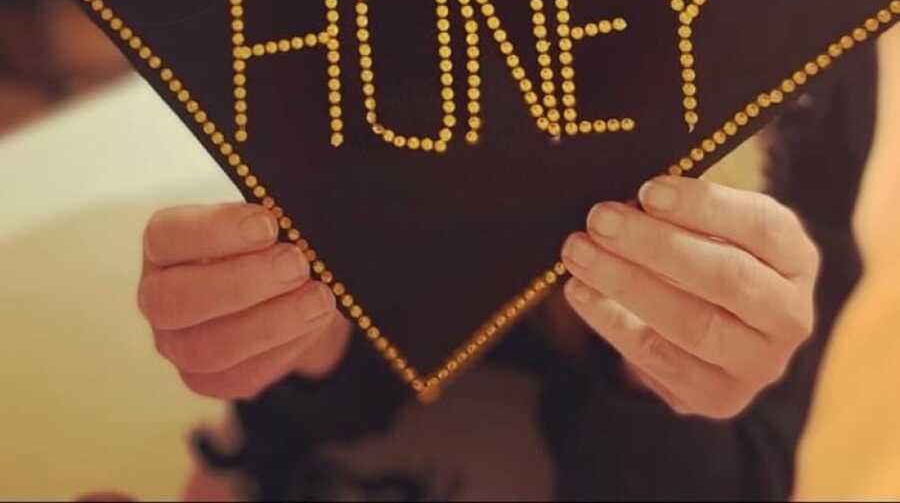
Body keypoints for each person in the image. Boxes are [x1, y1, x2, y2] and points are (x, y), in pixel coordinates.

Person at [135, 42, 876, 502]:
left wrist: (670, 374)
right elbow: (296, 417)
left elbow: (741, 474)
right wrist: (299, 344)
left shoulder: (797, 51)